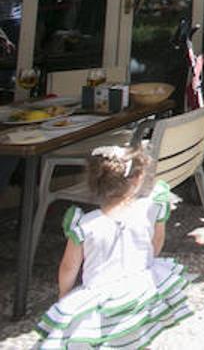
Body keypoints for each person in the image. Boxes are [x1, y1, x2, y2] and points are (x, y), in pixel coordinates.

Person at [34, 147, 190, 348]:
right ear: (137, 178)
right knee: (134, 331)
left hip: (100, 298)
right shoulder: (149, 208)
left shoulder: (84, 225)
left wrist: (64, 295)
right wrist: (146, 260)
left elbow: (68, 266)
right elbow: (157, 241)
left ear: (95, 182)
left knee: (97, 338)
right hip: (139, 287)